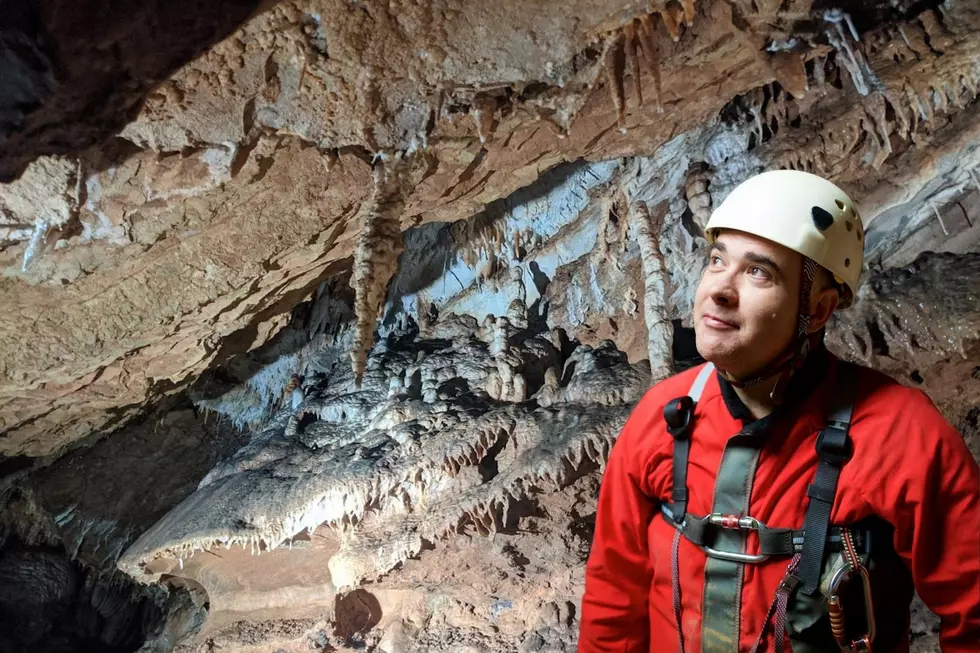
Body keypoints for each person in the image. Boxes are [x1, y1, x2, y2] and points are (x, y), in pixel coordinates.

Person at [578, 169, 980, 653]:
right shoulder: (662, 419)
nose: (719, 290)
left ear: (818, 309)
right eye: (716, 261)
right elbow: (612, 602)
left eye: (757, 272)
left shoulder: (901, 437)